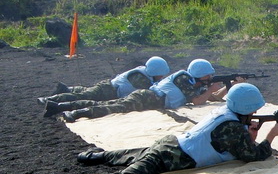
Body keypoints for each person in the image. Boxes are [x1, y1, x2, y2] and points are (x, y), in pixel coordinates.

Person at [31, 83, 278, 174]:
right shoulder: (232, 126)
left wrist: (251, 131)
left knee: (138, 154)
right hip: (172, 157)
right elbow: (253, 156)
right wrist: (271, 136)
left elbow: (239, 142)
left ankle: (94, 155)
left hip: (171, 144)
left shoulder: (226, 113)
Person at [53, 59, 226, 122]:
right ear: (200, 75)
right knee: (112, 107)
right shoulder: (183, 79)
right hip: (147, 97)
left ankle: (64, 106)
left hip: (149, 98)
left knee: (110, 104)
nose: (210, 79)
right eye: (208, 76)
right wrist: (210, 88)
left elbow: (213, 98)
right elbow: (198, 101)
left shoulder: (193, 83)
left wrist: (227, 86)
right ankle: (74, 111)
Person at [40, 56, 170, 116]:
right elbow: (150, 89)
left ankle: (65, 90)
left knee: (85, 92)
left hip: (109, 88)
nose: (162, 77)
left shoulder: (144, 72)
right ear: (156, 72)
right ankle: (50, 99)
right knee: (83, 95)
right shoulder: (142, 79)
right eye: (161, 74)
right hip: (108, 90)